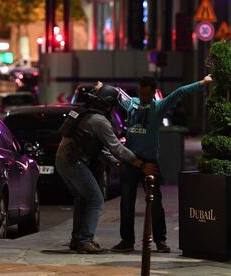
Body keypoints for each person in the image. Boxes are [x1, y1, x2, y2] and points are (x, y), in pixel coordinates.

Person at [111, 75, 213, 253]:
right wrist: (100, 87)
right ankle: (127, 241)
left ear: (153, 94)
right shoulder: (131, 104)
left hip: (149, 161)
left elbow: (179, 92)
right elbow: (116, 93)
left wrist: (202, 83)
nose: (143, 98)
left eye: (147, 95)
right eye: (141, 94)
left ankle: (160, 241)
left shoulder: (158, 107)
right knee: (126, 202)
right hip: (130, 161)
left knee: (156, 203)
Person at [55, 82, 158, 254]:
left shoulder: (86, 114)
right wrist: (140, 164)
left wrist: (115, 162)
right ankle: (85, 239)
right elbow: (116, 147)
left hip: (63, 160)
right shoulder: (99, 121)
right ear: (108, 104)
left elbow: (96, 148)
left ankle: (78, 239)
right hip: (74, 162)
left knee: (83, 199)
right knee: (96, 200)